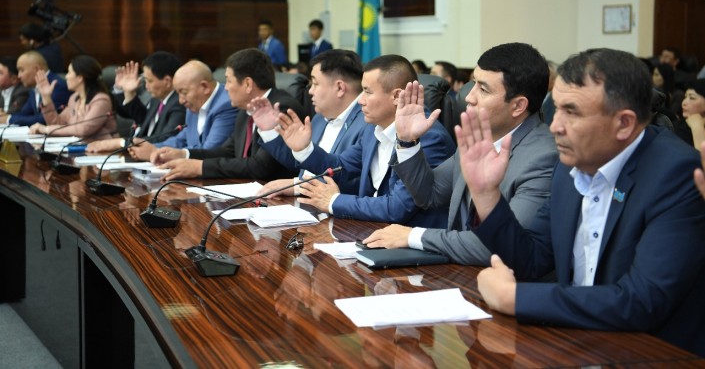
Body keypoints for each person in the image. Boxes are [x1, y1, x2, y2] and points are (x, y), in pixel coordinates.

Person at [456, 48, 705, 357]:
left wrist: (514, 298)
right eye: (556, 108)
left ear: (624, 123)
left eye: (571, 112)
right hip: (575, 343)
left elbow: (642, 302)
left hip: (649, 354)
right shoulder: (570, 164)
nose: (555, 126)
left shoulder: (677, 174)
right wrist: (486, 195)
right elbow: (531, 259)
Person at [364, 43, 558, 265]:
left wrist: (413, 236)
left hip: (502, 279)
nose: (469, 97)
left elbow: (503, 246)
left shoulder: (543, 159)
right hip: (458, 269)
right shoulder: (480, 135)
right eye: (473, 83)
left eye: (483, 90)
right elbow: (430, 194)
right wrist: (408, 142)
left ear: (518, 106)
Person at [259, 55, 456, 227]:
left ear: (397, 96)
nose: (360, 100)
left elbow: (398, 207)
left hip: (408, 241)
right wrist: (304, 149)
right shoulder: (372, 129)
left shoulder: (428, 137)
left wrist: (334, 201)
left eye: (367, 92)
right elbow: (341, 167)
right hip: (369, 228)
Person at [152, 48, 307, 181]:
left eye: (228, 81)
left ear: (247, 84)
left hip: (278, 198)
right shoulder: (246, 110)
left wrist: (200, 167)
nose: (225, 88)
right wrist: (184, 154)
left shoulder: (281, 108)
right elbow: (227, 151)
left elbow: (260, 166)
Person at [253, 49, 367, 197]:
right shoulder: (319, 118)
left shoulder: (367, 122)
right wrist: (270, 130)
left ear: (340, 88)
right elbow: (304, 161)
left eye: (315, 84)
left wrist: (298, 185)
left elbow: (352, 179)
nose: (310, 91)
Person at [127, 60, 237, 160]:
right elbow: (180, 139)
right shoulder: (194, 105)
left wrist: (158, 153)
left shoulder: (226, 104)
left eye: (184, 92)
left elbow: (209, 152)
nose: (180, 101)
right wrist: (150, 148)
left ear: (205, 87)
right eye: (178, 93)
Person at [86, 52, 186, 153]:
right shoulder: (157, 99)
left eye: (149, 81)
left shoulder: (179, 104)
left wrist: (121, 142)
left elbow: (163, 139)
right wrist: (128, 92)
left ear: (167, 81)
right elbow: (141, 119)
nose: (146, 86)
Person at [28, 55, 116, 139]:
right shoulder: (74, 99)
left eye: (69, 72)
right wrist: (46, 97)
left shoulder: (101, 100)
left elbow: (84, 129)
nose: (66, 76)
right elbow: (57, 124)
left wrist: (46, 129)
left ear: (80, 78)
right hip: (78, 146)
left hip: (102, 148)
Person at [0, 51, 71, 126]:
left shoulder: (57, 85)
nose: (19, 76)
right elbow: (24, 113)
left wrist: (9, 119)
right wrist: (5, 116)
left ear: (37, 69)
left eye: (22, 70)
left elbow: (45, 119)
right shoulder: (33, 87)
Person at [673, 79, 705, 150]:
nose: (684, 103)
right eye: (685, 97)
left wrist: (697, 128)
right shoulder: (677, 127)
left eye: (692, 98)